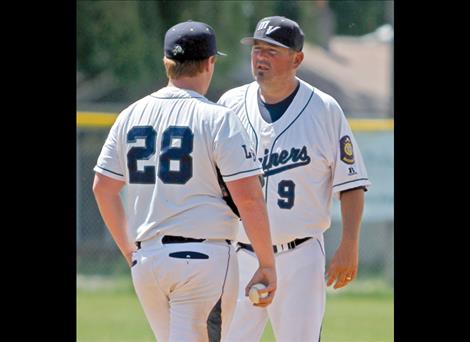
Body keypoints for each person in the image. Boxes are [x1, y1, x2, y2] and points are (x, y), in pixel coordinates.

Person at [92, 20, 277, 342]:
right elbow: (248, 198)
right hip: (202, 262)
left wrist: (130, 251)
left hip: (149, 262)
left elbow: (103, 188)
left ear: (167, 63)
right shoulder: (218, 118)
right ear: (210, 63)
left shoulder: (131, 114)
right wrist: (266, 262)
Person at [217, 16, 371, 342]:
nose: (261, 57)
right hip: (240, 254)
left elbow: (352, 183)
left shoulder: (324, 109)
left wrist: (350, 244)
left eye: (272, 50)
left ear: (297, 59)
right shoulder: (229, 105)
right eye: (257, 49)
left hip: (300, 256)